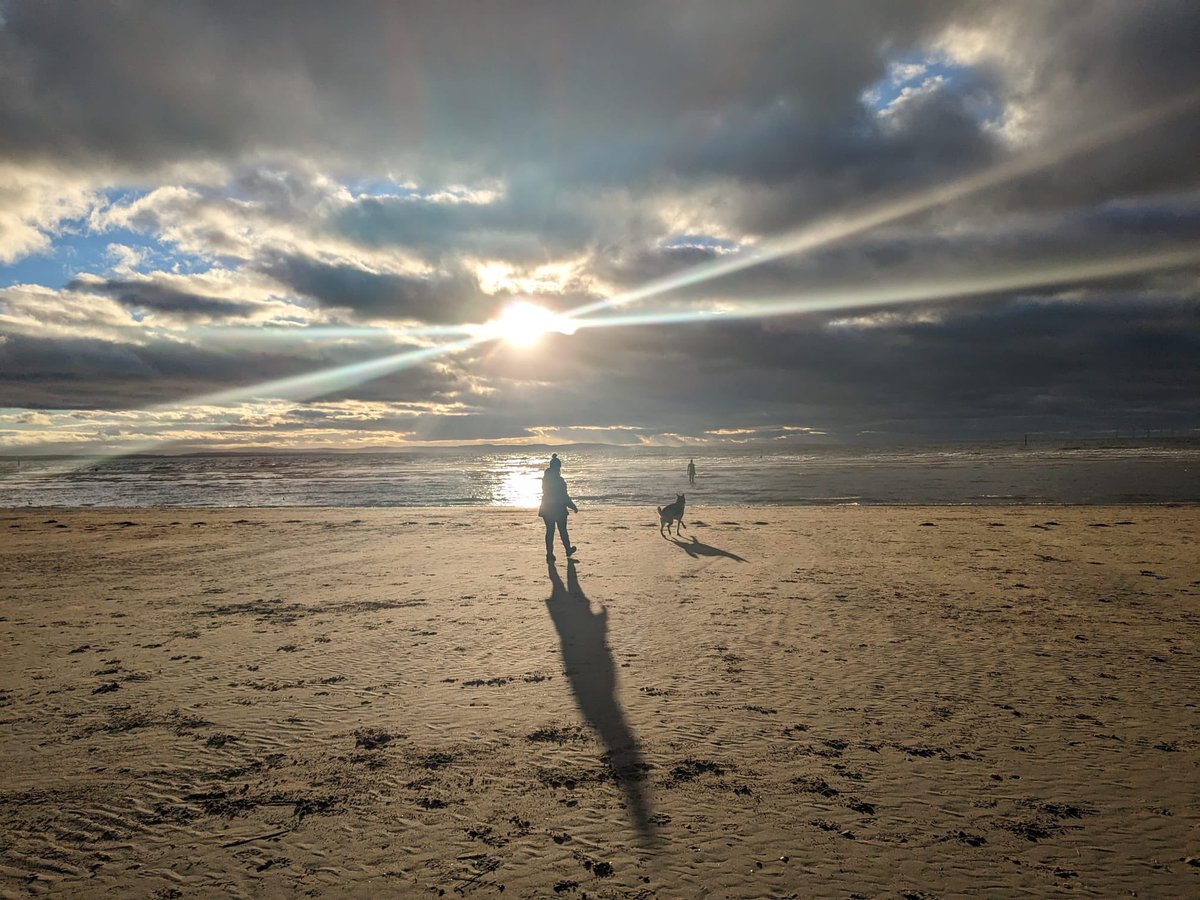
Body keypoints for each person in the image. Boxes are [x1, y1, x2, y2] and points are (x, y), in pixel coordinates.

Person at [538, 453, 578, 561]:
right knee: (562, 530)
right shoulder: (559, 480)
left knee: (550, 531)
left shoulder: (545, 479)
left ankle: (549, 554)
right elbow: (564, 495)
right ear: (558, 467)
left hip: (546, 508)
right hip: (558, 509)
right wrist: (572, 506)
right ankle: (567, 549)